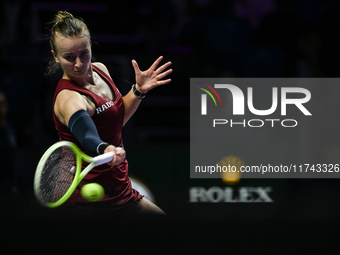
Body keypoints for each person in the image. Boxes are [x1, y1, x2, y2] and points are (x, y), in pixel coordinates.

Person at [47, 11, 172, 214]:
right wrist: (105, 149)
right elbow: (87, 135)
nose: (79, 64)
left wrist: (138, 91)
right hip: (85, 195)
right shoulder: (69, 98)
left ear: (90, 47)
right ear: (55, 56)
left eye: (83, 53)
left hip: (117, 186)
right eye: (69, 57)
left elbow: (114, 120)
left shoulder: (100, 70)